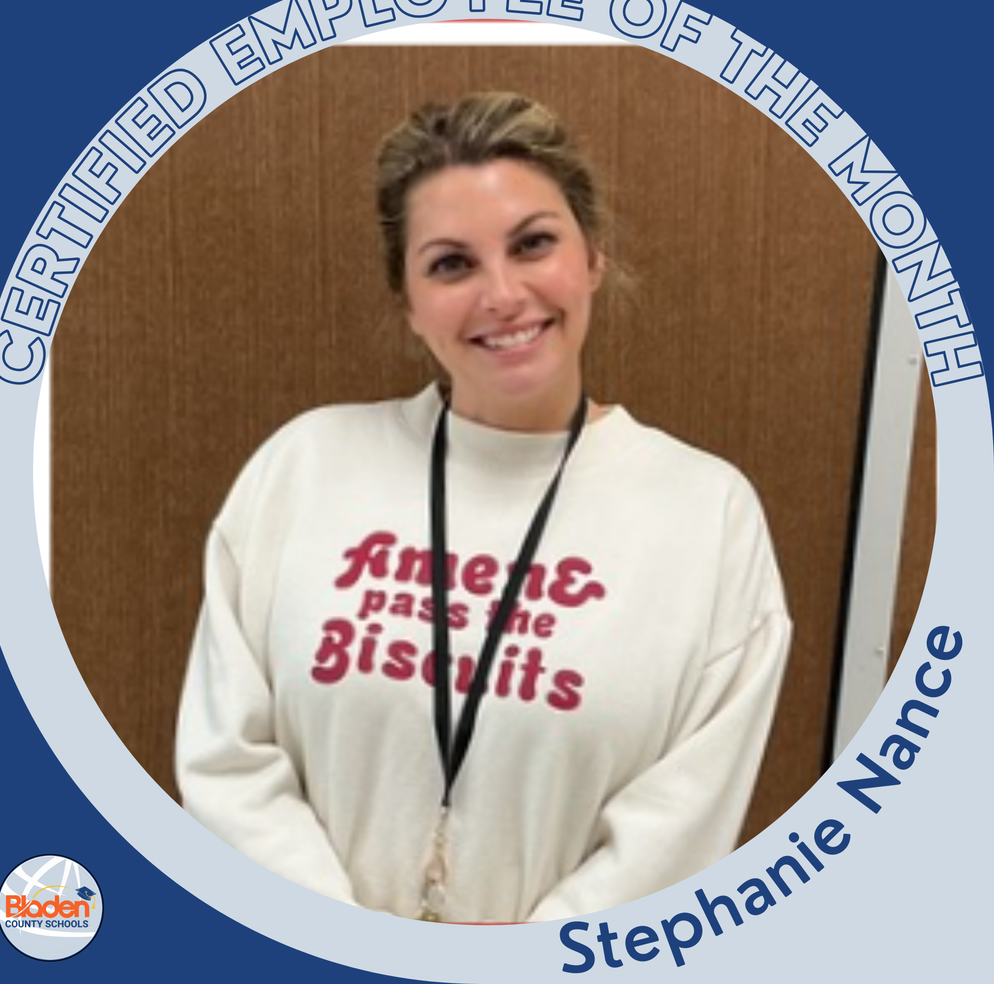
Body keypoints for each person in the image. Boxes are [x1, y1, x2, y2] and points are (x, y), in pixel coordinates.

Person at [175, 92, 792, 924]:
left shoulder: (707, 514)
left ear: (593, 257)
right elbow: (226, 764)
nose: (502, 294)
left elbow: (682, 821)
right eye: (452, 264)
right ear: (408, 301)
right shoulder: (304, 468)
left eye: (533, 244)